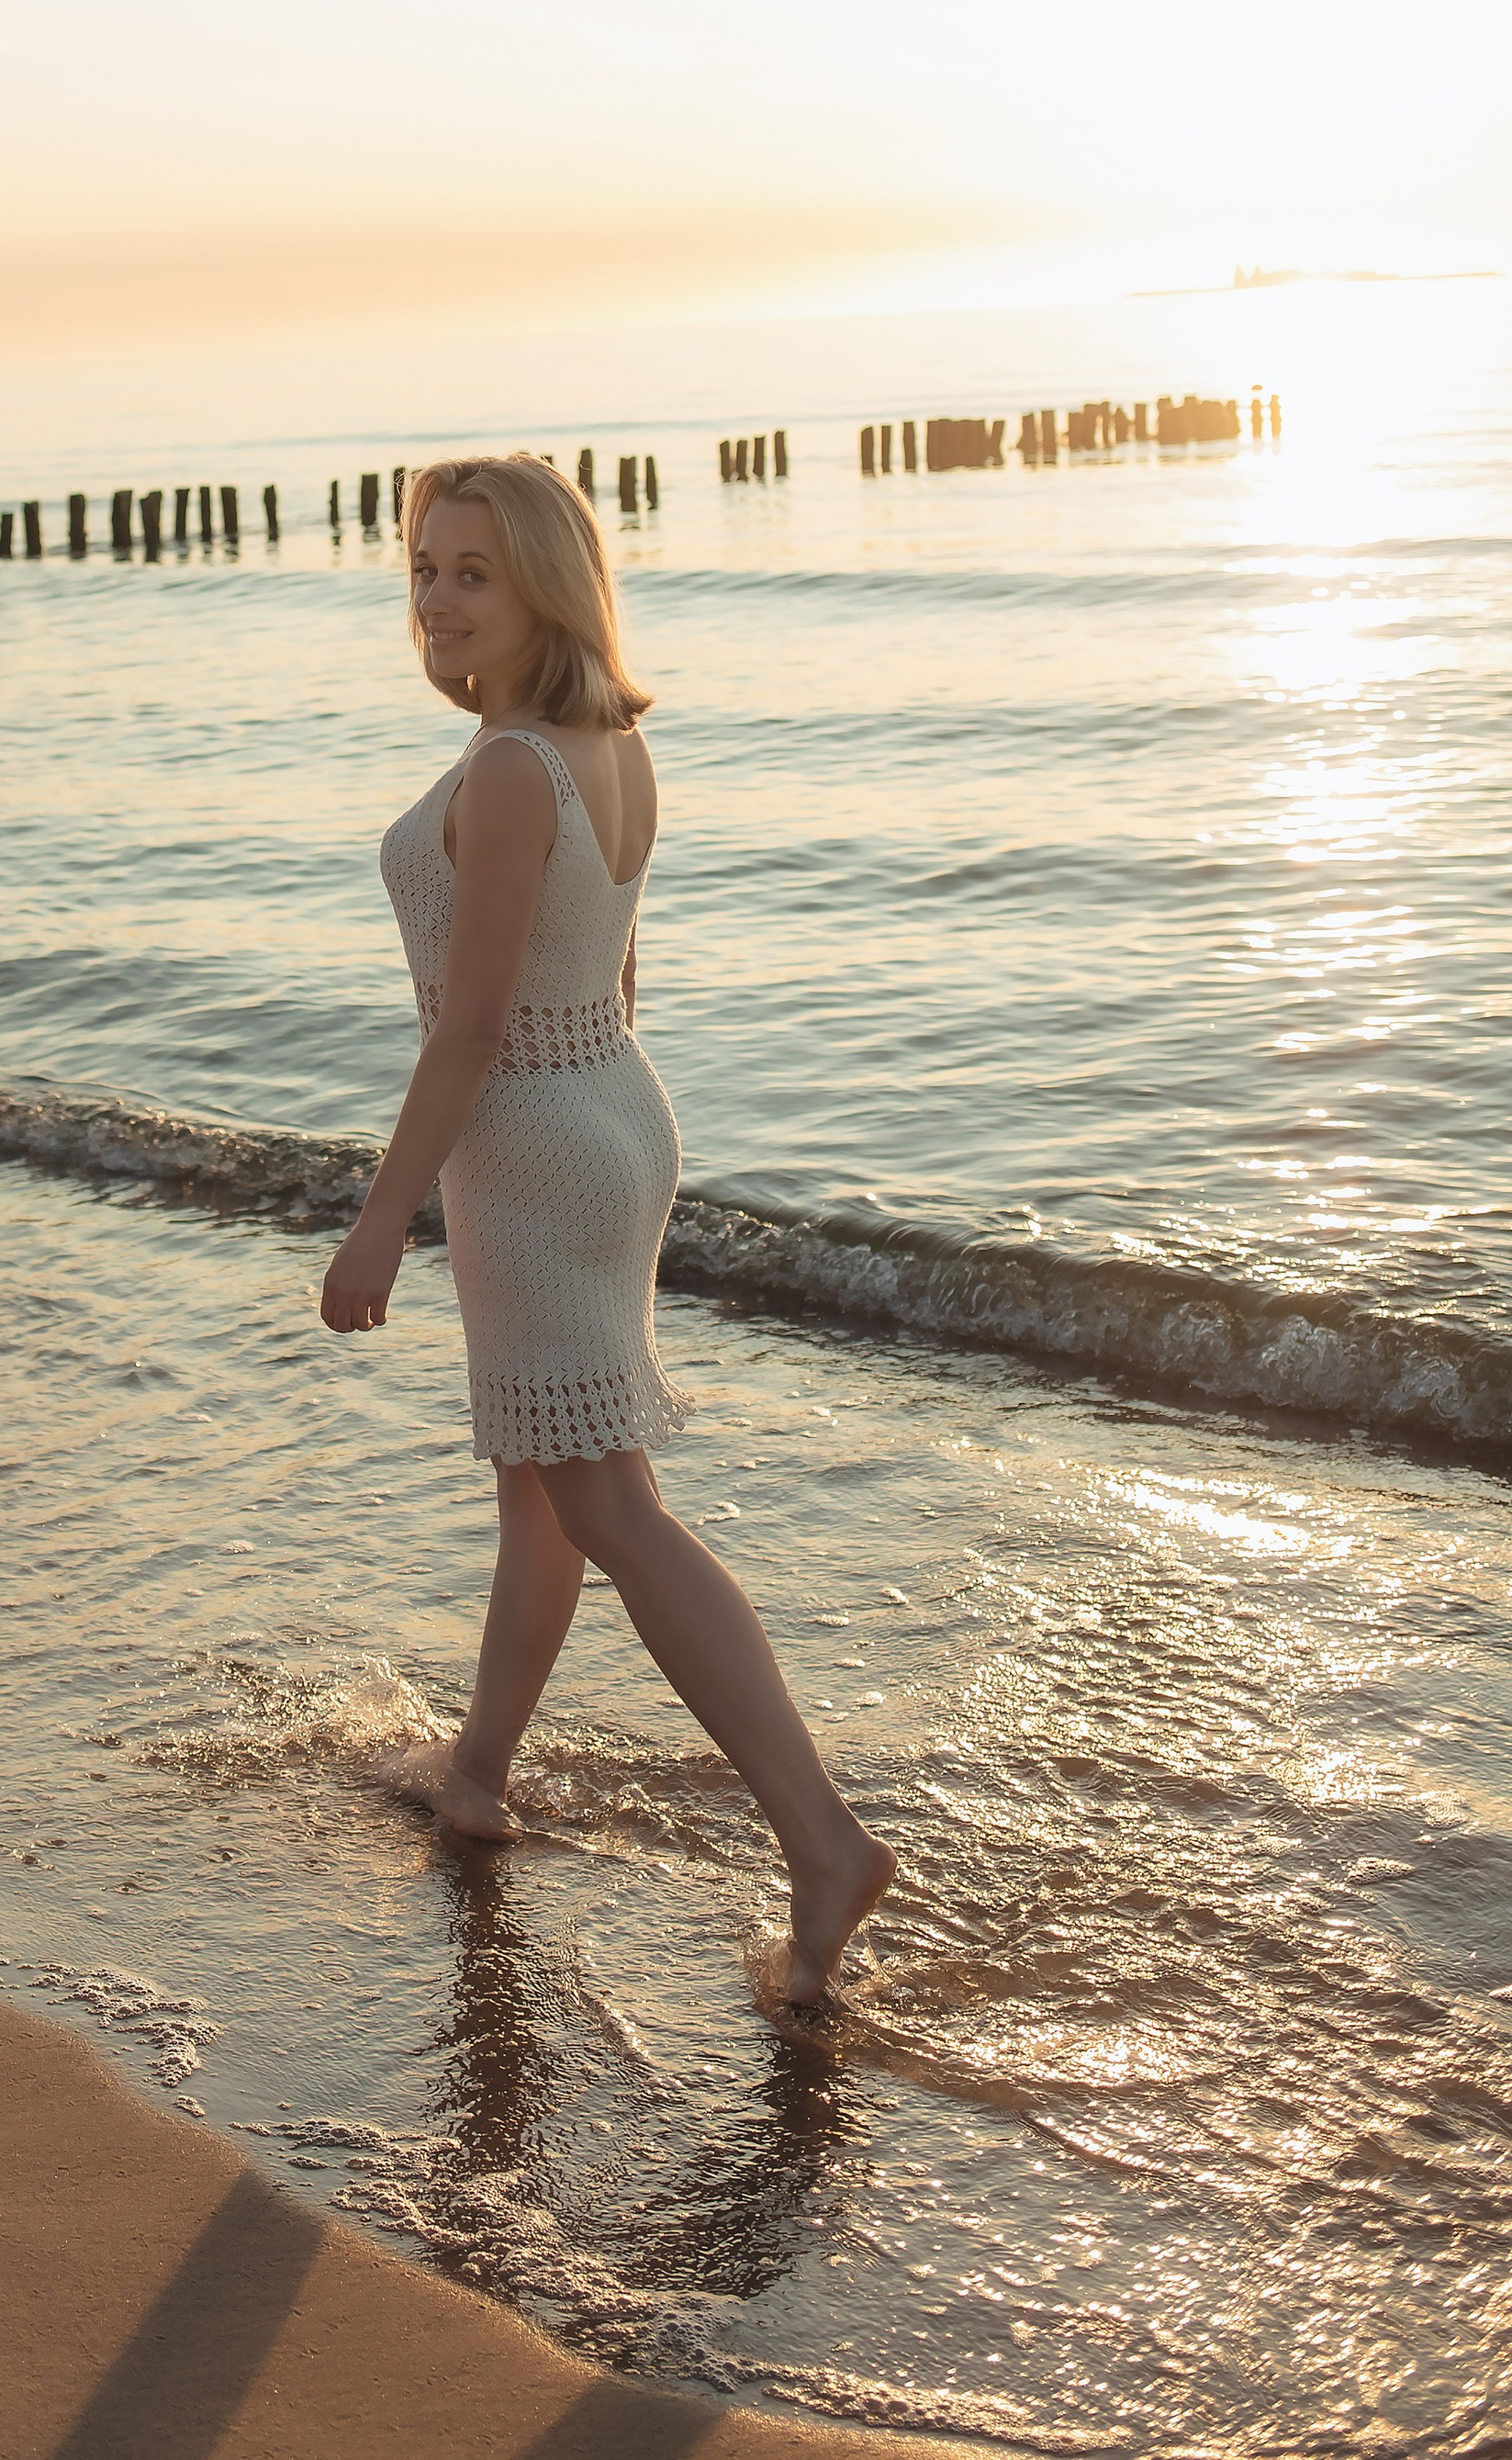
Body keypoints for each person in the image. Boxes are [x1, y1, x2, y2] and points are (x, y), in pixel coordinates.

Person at [319, 454, 895, 2008]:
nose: (436, 601)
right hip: (608, 1107)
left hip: (530, 1139)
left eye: (471, 575)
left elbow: (469, 1032)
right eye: (424, 569)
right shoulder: (600, 744)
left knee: (612, 1507)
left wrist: (379, 1227)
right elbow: (613, 974)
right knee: (543, 1491)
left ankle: (823, 1838)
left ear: (543, 592)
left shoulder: (515, 770)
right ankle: (479, 1773)